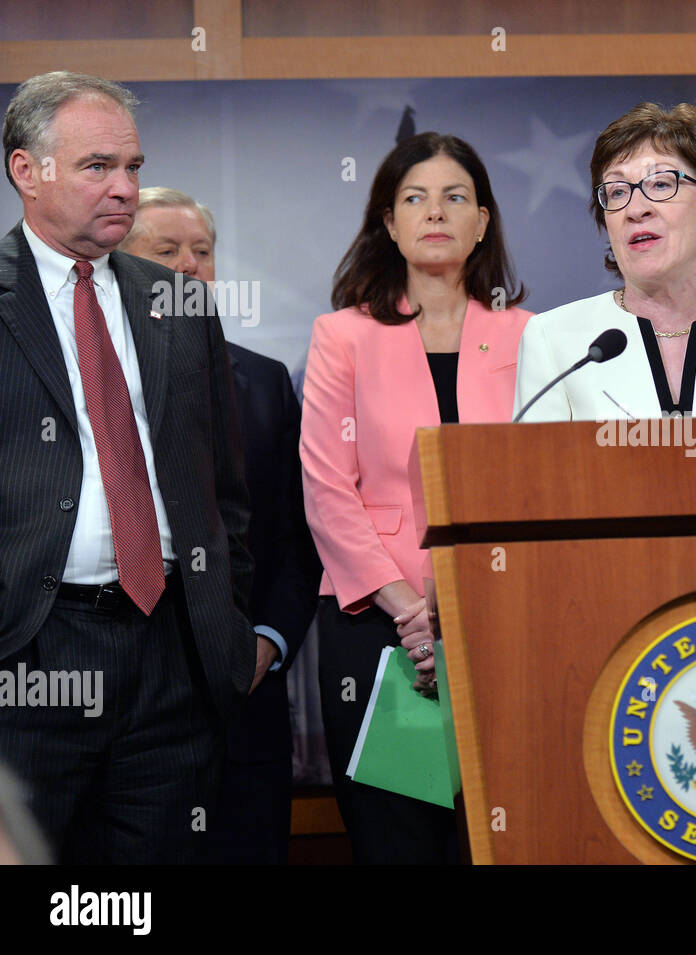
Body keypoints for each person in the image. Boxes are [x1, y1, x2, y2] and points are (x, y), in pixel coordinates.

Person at [0, 71, 255, 863]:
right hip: (31, 657)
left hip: (172, 655)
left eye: (134, 168)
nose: (124, 189)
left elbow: (227, 495)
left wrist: (224, 620)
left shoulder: (178, 302)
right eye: (97, 167)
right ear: (26, 171)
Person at [301, 131, 531, 864]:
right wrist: (412, 611)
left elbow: (541, 482)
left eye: (455, 197)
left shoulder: (532, 336)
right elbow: (328, 490)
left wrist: (466, 602)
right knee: (401, 837)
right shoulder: (343, 337)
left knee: (501, 831)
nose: (436, 212)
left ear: (483, 222)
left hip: (505, 613)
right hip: (377, 622)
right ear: (389, 223)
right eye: (414, 198)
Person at [120, 186, 320, 864]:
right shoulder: (84, 385)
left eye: (202, 252)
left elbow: (297, 536)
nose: (189, 266)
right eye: (166, 250)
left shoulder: (264, 383)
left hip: (243, 702)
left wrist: (268, 640)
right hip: (120, 703)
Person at [514, 103, 696, 421]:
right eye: (616, 191)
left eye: (661, 184)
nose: (635, 209)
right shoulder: (553, 339)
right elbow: (538, 469)